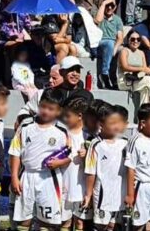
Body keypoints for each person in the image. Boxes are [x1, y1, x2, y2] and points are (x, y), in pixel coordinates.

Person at [10, 89, 71, 229]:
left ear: (59, 111)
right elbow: (15, 152)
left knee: (47, 221)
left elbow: (70, 154)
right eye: (43, 106)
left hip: (49, 178)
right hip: (27, 176)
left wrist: (59, 162)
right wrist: (14, 176)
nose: (46, 111)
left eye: (51, 109)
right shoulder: (25, 125)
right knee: (24, 219)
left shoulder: (62, 131)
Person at [83, 105, 128, 230]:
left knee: (115, 225)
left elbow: (130, 168)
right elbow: (91, 172)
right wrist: (88, 194)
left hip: (121, 192)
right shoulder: (96, 144)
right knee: (101, 225)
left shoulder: (125, 143)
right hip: (103, 193)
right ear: (101, 124)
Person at [61, 97, 90, 231]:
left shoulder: (89, 136)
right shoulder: (62, 133)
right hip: (64, 182)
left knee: (80, 222)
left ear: (79, 116)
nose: (65, 118)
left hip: (81, 184)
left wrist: (87, 155)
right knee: (65, 221)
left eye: (68, 115)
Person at [117, 29, 150, 106]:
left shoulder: (141, 53)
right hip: (126, 80)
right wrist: (141, 69)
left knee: (146, 90)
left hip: (138, 79)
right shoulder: (124, 51)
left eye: (138, 39)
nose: (135, 41)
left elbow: (144, 68)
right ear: (128, 40)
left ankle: (144, 113)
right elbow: (125, 67)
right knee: (148, 81)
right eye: (133, 39)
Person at [95, 0, 124, 89]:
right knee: (109, 43)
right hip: (99, 42)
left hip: (111, 44)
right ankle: (104, 74)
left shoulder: (117, 19)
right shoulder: (100, 15)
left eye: (112, 6)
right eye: (108, 5)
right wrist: (103, 4)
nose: (110, 8)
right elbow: (97, 21)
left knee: (122, 50)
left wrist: (115, 49)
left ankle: (116, 78)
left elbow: (120, 38)